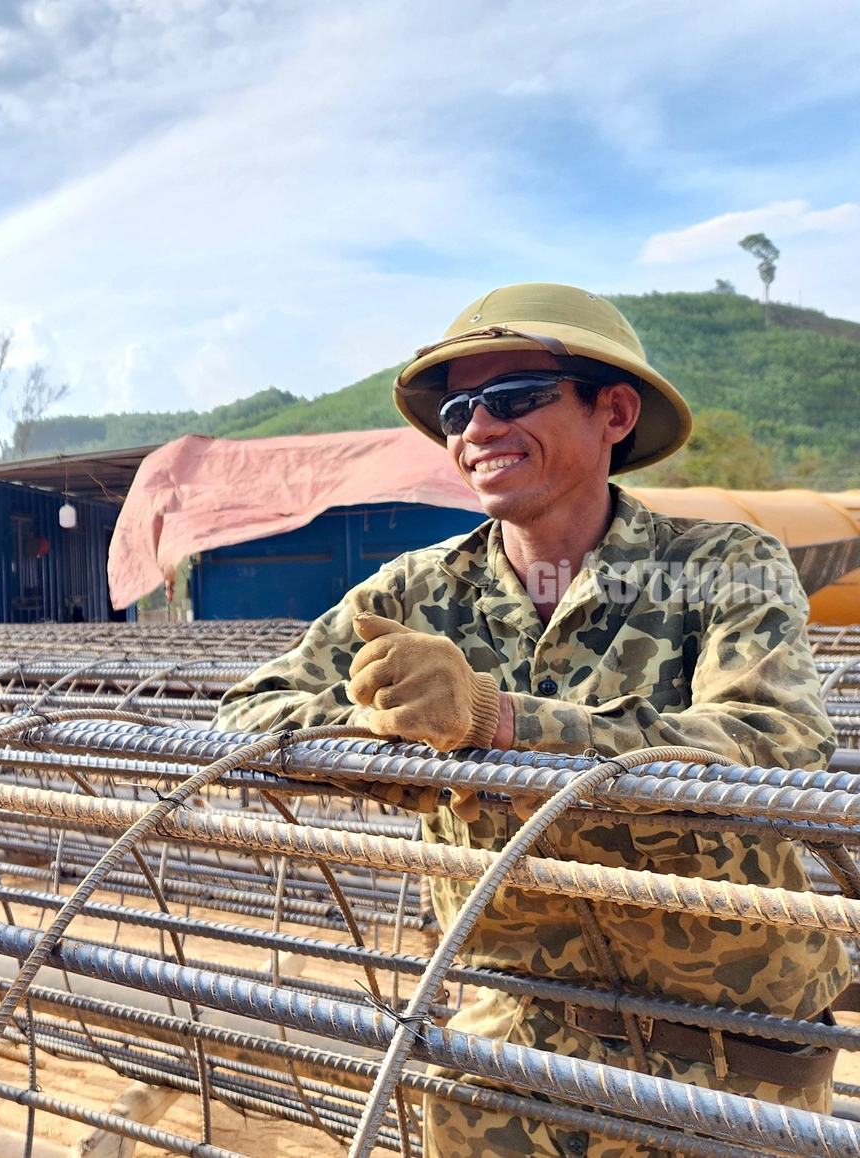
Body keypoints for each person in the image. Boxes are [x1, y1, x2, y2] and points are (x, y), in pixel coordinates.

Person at [215, 284, 847, 1158]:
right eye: (459, 409)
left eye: (514, 398)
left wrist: (496, 721)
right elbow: (247, 713)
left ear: (614, 411)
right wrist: (398, 740)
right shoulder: (416, 591)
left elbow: (774, 747)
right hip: (507, 1046)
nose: (478, 427)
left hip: (727, 1062)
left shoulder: (724, 566)